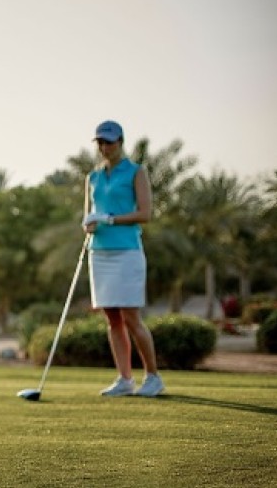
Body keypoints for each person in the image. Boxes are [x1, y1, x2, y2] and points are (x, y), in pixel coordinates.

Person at [82, 120, 165, 398]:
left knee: (131, 316)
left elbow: (145, 213)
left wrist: (110, 219)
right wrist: (90, 223)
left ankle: (152, 377)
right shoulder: (92, 177)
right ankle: (124, 379)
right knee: (111, 318)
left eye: (110, 142)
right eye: (101, 143)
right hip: (99, 251)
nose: (105, 147)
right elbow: (88, 216)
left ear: (121, 142)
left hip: (127, 250)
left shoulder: (135, 172)